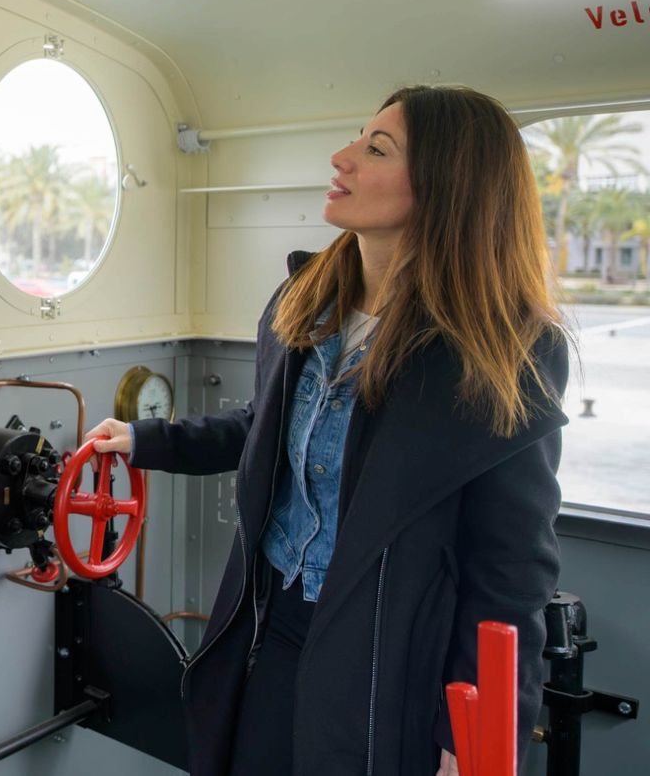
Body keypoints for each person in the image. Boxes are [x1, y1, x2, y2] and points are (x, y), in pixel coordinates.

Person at [86, 85, 569, 776]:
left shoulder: (506, 350)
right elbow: (268, 429)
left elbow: (511, 570)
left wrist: (473, 737)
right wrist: (147, 441)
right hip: (265, 625)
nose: (342, 158)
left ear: (448, 185)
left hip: (389, 656)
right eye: (356, 138)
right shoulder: (304, 302)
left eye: (376, 148)